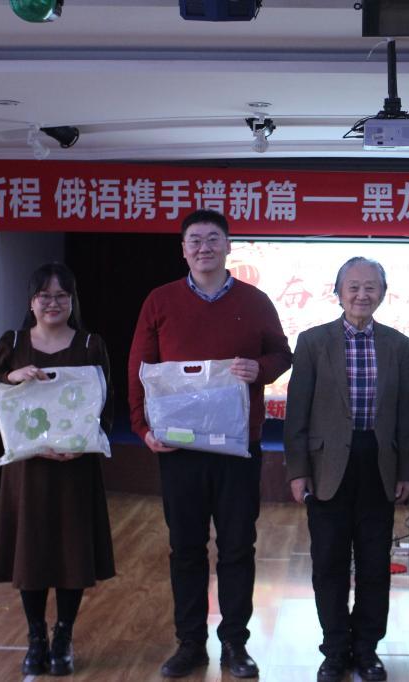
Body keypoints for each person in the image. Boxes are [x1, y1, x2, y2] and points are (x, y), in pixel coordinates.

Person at [128, 209, 291, 679]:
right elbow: (139, 366)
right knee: (186, 548)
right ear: (183, 249)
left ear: (228, 246)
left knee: (238, 546)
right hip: (180, 449)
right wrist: (141, 427)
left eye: (213, 239)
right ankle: (190, 644)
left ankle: (235, 644)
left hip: (238, 446)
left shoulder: (255, 301)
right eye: (195, 240)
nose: (204, 247)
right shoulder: (159, 300)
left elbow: (282, 353)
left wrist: (260, 369)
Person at [283, 256, 409, 682]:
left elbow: (405, 415)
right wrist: (297, 470)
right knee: (329, 563)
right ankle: (335, 649)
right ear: (338, 292)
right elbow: (296, 411)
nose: (362, 294)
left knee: (375, 564)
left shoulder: (398, 344)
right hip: (327, 467)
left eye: (370, 286)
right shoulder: (312, 341)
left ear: (383, 293)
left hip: (379, 463)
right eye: (353, 286)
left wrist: (407, 470)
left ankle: (367, 649)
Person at [0, 262, 115, 677]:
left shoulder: (91, 344)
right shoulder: (13, 342)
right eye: (44, 296)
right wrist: (11, 377)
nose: (53, 303)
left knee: (72, 553)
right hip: (28, 473)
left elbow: (105, 406)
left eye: (61, 296)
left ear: (72, 301)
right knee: (32, 554)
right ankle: (36, 636)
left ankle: (63, 635)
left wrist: (80, 446)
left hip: (75, 470)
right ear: (31, 302)